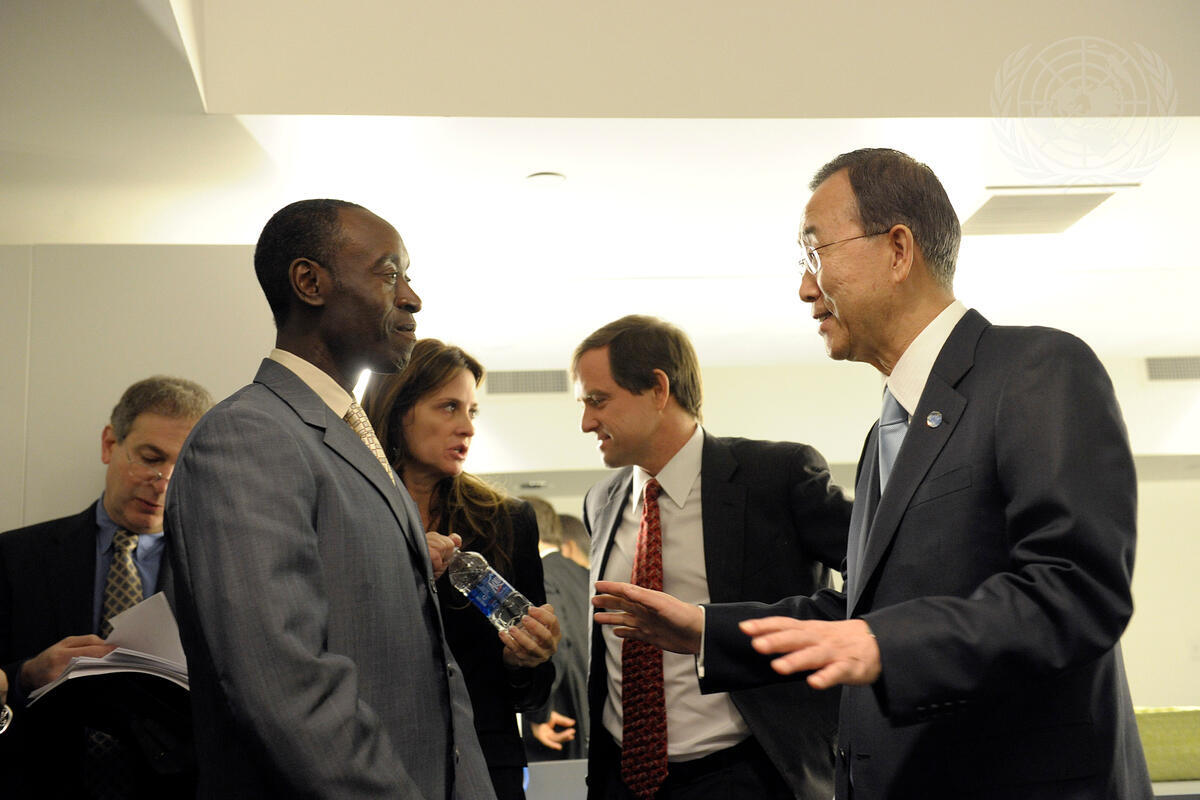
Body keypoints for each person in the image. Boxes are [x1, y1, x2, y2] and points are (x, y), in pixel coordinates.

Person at [592, 149, 1153, 799]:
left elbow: (1074, 591)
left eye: (815, 253)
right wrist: (707, 630)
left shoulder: (1036, 368)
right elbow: (860, 610)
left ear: (897, 250)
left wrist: (882, 643)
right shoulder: (887, 429)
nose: (805, 288)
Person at [163, 200, 495, 798]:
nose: (413, 298)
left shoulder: (350, 436)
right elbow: (286, 687)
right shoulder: (249, 434)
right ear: (310, 283)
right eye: (389, 274)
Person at [573, 315, 852, 800]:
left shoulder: (777, 476)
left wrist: (712, 630)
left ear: (658, 389)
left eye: (598, 401)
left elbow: (877, 580)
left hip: (748, 775)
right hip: (622, 779)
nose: (586, 423)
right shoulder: (601, 501)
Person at [361, 339, 560, 800]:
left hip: (486, 764)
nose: (467, 427)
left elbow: (531, 695)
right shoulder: (352, 515)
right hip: (379, 761)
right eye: (449, 407)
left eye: (472, 411)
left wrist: (527, 659)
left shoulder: (507, 521)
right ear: (397, 409)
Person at [0, 375, 212, 797]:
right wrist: (25, 675)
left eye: (184, 466)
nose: (164, 482)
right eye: (150, 458)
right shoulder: (15, 556)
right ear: (109, 444)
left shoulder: (217, 572)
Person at [522, 503, 591, 761]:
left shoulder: (539, 574)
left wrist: (538, 713)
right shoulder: (586, 574)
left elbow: (552, 640)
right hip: (591, 716)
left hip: (559, 721)